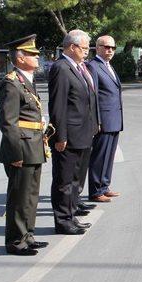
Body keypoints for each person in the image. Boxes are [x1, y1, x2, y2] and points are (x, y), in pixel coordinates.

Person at [0, 35, 48, 255]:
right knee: (19, 197)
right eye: (32, 54)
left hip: (34, 145)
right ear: (20, 58)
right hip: (22, 148)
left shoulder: (25, 80)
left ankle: (27, 235)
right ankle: (16, 241)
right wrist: (15, 153)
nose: (37, 57)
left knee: (31, 195)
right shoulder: (10, 83)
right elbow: (8, 123)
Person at [48, 29, 98, 235]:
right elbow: (58, 105)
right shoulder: (61, 67)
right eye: (84, 48)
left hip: (83, 134)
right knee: (64, 181)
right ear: (72, 47)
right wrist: (60, 136)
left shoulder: (79, 67)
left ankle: (71, 216)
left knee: (76, 179)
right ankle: (62, 221)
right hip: (68, 136)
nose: (87, 51)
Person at [87, 35, 123, 202]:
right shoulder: (94, 66)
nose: (110, 50)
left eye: (113, 48)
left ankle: (104, 185)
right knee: (100, 156)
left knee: (109, 155)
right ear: (98, 47)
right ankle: (95, 190)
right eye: (106, 47)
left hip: (114, 118)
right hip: (104, 119)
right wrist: (97, 120)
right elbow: (93, 96)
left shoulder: (108, 66)